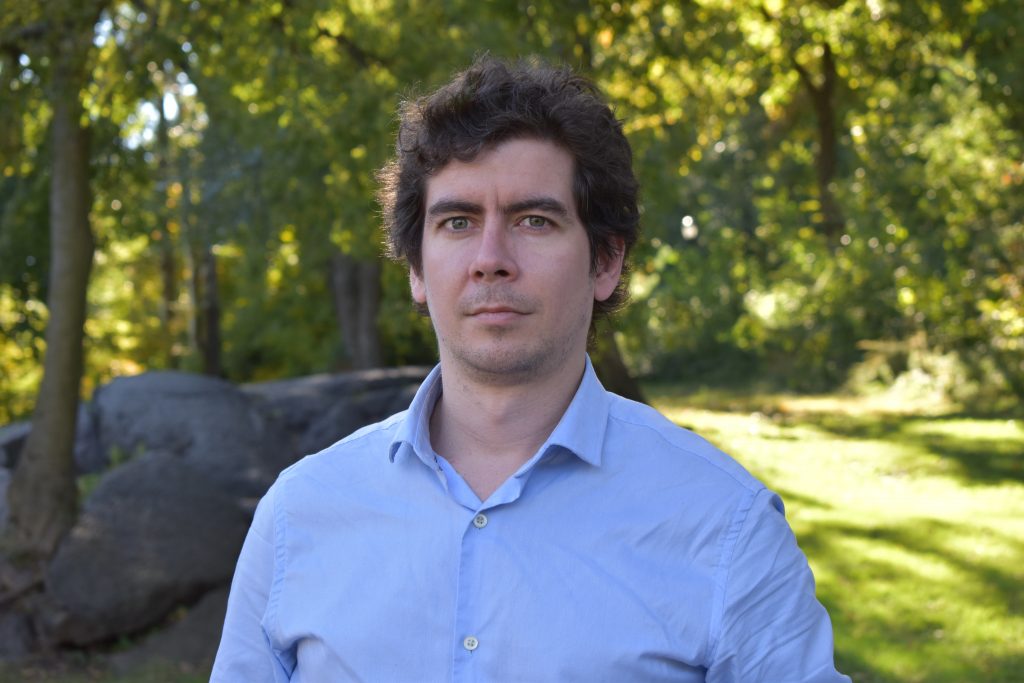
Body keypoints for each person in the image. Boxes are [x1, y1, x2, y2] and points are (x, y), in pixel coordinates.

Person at [212, 56, 850, 682]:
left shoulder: (725, 526)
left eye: (534, 221)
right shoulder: (299, 515)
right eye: (457, 222)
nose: (490, 258)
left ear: (606, 262)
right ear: (416, 269)